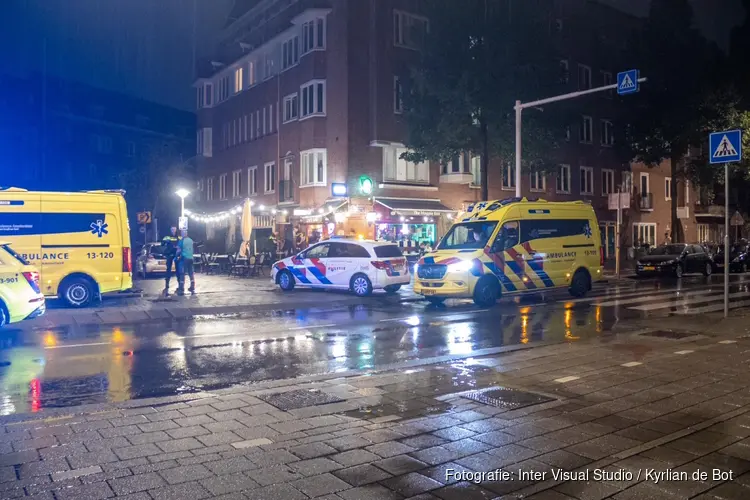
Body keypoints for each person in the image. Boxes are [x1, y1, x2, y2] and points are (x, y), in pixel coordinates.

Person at [161, 225, 181, 296]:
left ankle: (179, 286)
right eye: (172, 229)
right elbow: (162, 244)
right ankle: (167, 286)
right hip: (169, 255)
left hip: (176, 255)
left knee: (178, 270)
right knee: (168, 270)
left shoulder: (179, 237)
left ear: (176, 230)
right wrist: (165, 241)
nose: (173, 231)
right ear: (170, 230)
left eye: (174, 229)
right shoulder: (167, 236)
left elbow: (181, 244)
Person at [177, 230, 195, 295]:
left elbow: (178, 250)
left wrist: (176, 256)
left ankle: (181, 289)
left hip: (184, 258)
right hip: (191, 258)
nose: (181, 235)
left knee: (182, 273)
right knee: (191, 273)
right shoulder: (191, 240)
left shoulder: (181, 241)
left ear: (183, 234)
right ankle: (192, 286)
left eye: (181, 233)